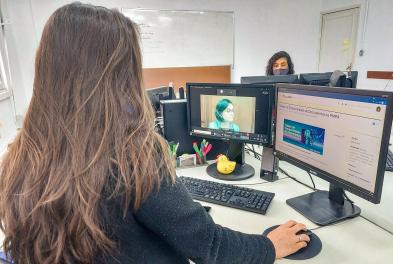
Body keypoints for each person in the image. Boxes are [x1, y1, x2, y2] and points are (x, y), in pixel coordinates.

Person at [0, 3, 309, 264]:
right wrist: (270, 245)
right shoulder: (130, 155)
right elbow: (210, 246)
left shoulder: (19, 159)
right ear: (120, 75)